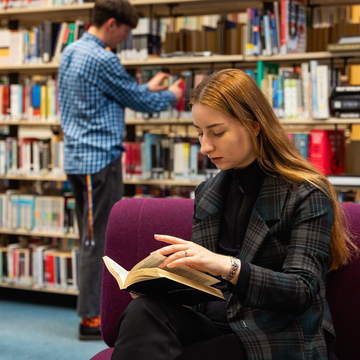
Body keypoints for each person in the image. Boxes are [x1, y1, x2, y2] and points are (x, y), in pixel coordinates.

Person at [110, 68, 358, 360]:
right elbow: (205, 285)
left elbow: (301, 291)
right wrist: (161, 287)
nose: (205, 147)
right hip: (217, 324)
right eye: (200, 133)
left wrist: (227, 266)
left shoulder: (306, 193)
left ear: (254, 124)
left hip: (275, 333)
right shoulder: (209, 192)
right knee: (143, 311)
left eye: (217, 132)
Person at [58, 0, 183, 340]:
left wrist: (145, 88)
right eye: (126, 32)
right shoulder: (102, 57)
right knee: (97, 239)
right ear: (112, 23)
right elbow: (138, 101)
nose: (125, 39)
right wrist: (170, 95)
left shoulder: (72, 50)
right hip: (99, 160)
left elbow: (114, 94)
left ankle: (91, 313)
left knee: (90, 235)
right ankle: (90, 319)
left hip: (78, 158)